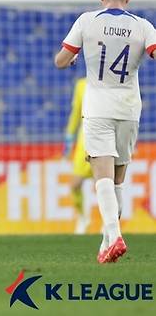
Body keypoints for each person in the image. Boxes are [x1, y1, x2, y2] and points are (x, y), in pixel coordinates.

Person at [54, 0, 156, 263]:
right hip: (129, 108)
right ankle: (106, 243)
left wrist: (73, 58)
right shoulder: (143, 26)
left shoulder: (88, 21)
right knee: (118, 180)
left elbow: (60, 61)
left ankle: (115, 235)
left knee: (102, 177)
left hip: (98, 106)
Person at [64, 77, 93, 234]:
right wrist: (69, 138)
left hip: (104, 139)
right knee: (75, 184)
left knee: (105, 184)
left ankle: (109, 223)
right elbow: (76, 113)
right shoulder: (81, 85)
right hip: (84, 143)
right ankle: (82, 218)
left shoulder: (110, 81)